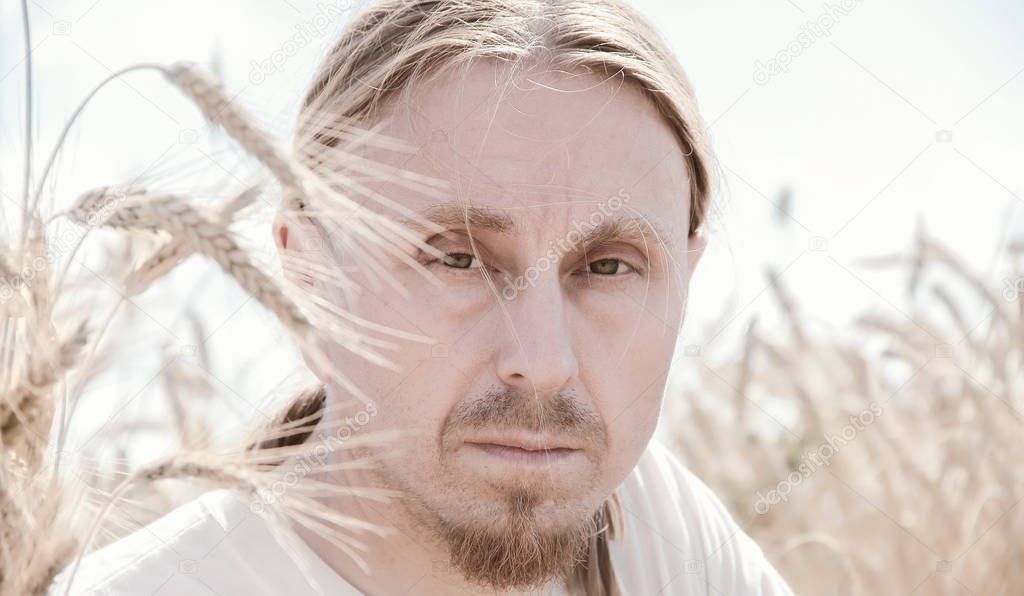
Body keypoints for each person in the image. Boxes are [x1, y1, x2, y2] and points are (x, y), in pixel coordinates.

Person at [52, 0, 794, 594]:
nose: (544, 364)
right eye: (460, 257)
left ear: (686, 282)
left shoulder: (665, 541)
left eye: (607, 268)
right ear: (309, 275)